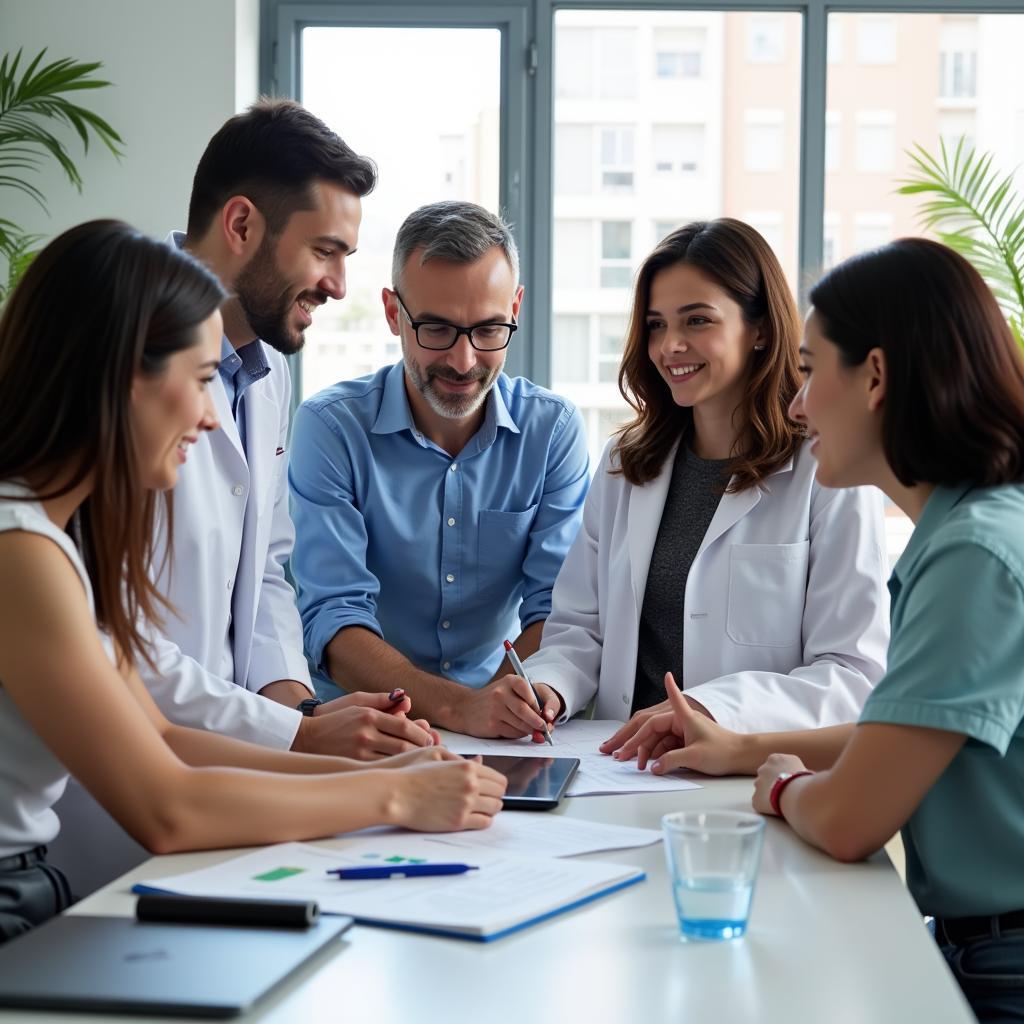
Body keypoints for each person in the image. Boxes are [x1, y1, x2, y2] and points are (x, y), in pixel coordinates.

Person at [0, 220, 505, 942]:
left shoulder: (50, 536)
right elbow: (168, 808)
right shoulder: (17, 549)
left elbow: (167, 735)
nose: (212, 416)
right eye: (202, 380)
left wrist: (383, 772)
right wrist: (393, 794)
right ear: (119, 376)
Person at [615, 238, 1024, 1023]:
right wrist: (738, 749)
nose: (797, 404)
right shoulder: (969, 531)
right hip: (978, 948)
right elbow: (908, 734)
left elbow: (846, 821)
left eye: (810, 370)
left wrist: (785, 786)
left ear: (875, 377)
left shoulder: (975, 556)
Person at [521, 218, 889, 743]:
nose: (670, 345)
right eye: (655, 324)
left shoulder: (829, 470)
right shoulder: (625, 462)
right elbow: (581, 631)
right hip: (621, 763)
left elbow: (852, 674)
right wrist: (546, 686)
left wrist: (707, 708)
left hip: (747, 772)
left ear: (759, 328)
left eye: (697, 321)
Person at [149, 99, 437, 759]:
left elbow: (266, 575)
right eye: (324, 252)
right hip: (118, 790)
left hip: (234, 763)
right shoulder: (120, 351)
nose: (339, 286)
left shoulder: (268, 368)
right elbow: (113, 638)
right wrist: (298, 734)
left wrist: (305, 716)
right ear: (243, 224)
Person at [288, 200, 590, 739]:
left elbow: (557, 608)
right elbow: (335, 620)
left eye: (489, 329)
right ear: (392, 313)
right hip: (358, 724)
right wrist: (459, 710)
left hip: (499, 722)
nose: (463, 361)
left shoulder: (553, 431)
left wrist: (500, 706)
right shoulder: (330, 429)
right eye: (437, 329)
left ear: (516, 308)